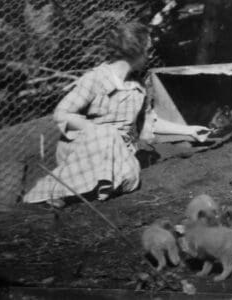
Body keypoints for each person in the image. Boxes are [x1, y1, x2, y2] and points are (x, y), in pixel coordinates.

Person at [23, 22, 210, 208]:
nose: (151, 54)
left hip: (118, 152)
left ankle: (86, 189)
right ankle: (53, 190)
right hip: (84, 149)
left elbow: (148, 124)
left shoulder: (137, 87)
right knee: (109, 137)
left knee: (131, 177)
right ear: (135, 50)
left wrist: (189, 131)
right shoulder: (96, 79)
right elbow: (62, 114)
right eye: (148, 49)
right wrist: (98, 131)